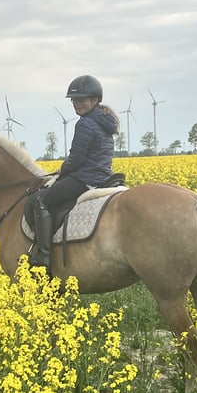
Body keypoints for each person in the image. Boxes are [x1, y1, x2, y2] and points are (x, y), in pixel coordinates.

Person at [29, 74, 120, 274]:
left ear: (95, 99)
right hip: (103, 175)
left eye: (82, 99)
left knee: (41, 201)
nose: (77, 104)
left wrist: (64, 170)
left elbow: (77, 158)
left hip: (86, 179)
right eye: (74, 100)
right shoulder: (104, 120)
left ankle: (43, 255)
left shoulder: (85, 123)